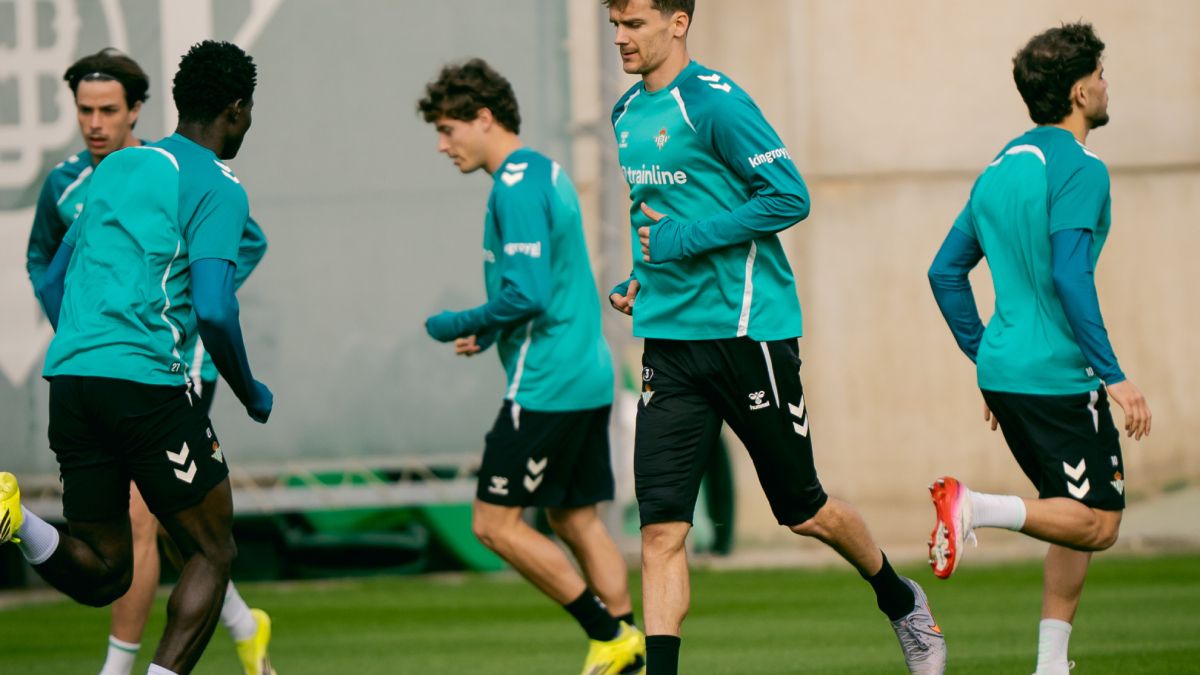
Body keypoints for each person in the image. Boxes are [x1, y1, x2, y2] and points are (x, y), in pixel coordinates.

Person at [603, 2, 947, 674]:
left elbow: (789, 196)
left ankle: (900, 598)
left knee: (804, 509)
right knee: (661, 529)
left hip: (747, 335)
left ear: (678, 22)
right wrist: (642, 278)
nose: (620, 37)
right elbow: (658, 214)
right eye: (614, 23)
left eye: (634, 23)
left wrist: (683, 240)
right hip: (669, 345)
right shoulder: (624, 113)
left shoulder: (716, 103)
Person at [1, 40, 273, 675]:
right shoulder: (219, 185)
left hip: (71, 381)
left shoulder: (117, 168)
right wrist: (249, 390)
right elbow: (215, 308)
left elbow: (54, 277)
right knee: (212, 551)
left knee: (104, 573)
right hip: (145, 383)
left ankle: (14, 520)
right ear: (237, 109)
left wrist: (89, 343)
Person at [927, 22, 1151, 675]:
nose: (1107, 85)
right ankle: (975, 506)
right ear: (1080, 91)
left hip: (1006, 370)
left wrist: (986, 355)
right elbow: (1070, 274)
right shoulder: (1081, 168)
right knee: (1100, 521)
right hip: (1057, 376)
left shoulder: (998, 168)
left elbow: (944, 273)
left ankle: (1052, 664)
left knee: (1068, 511)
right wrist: (1114, 375)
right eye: (1100, 75)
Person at [419, 58, 646, 675]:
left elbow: (529, 293)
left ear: (483, 118)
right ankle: (630, 651)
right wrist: (492, 329)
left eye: (447, 130)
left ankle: (609, 635)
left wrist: (459, 322)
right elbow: (543, 286)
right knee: (574, 517)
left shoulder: (514, 187)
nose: (442, 145)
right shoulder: (545, 170)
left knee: (493, 524)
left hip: (547, 383)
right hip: (587, 371)